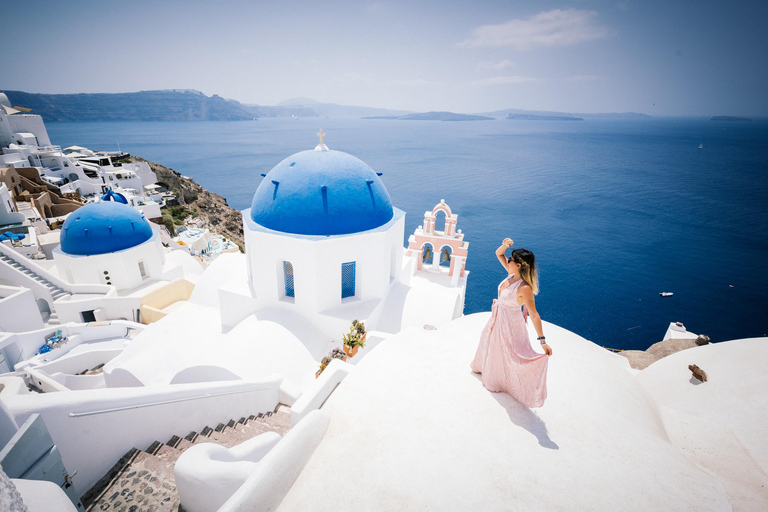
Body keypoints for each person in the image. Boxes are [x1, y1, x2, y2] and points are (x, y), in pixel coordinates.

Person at [470, 238, 551, 408]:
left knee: (509, 352)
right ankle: (482, 367)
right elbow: (498, 253)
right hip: (498, 317)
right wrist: (505, 245)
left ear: (519, 265)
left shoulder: (524, 288)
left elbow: (534, 315)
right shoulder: (511, 274)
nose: (508, 260)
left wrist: (542, 341)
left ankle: (499, 380)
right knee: (488, 340)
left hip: (510, 324)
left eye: (511, 259)